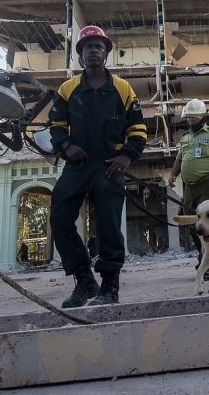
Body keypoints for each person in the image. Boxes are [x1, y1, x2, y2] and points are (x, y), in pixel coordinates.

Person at [49, 25, 147, 308]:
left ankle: (110, 288)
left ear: (106, 53)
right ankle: (84, 280)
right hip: (78, 166)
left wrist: (127, 156)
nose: (94, 50)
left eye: (98, 46)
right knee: (59, 217)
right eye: (88, 46)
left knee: (109, 226)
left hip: (109, 166)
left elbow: (138, 127)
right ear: (81, 52)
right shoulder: (68, 89)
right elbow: (55, 126)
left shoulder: (122, 88)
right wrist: (66, 146)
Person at [169, 98, 209, 279]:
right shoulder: (185, 137)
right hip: (189, 188)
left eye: (194, 117)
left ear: (203, 116)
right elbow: (179, 159)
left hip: (207, 184)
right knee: (192, 224)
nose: (191, 120)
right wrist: (173, 174)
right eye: (189, 117)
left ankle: (208, 260)